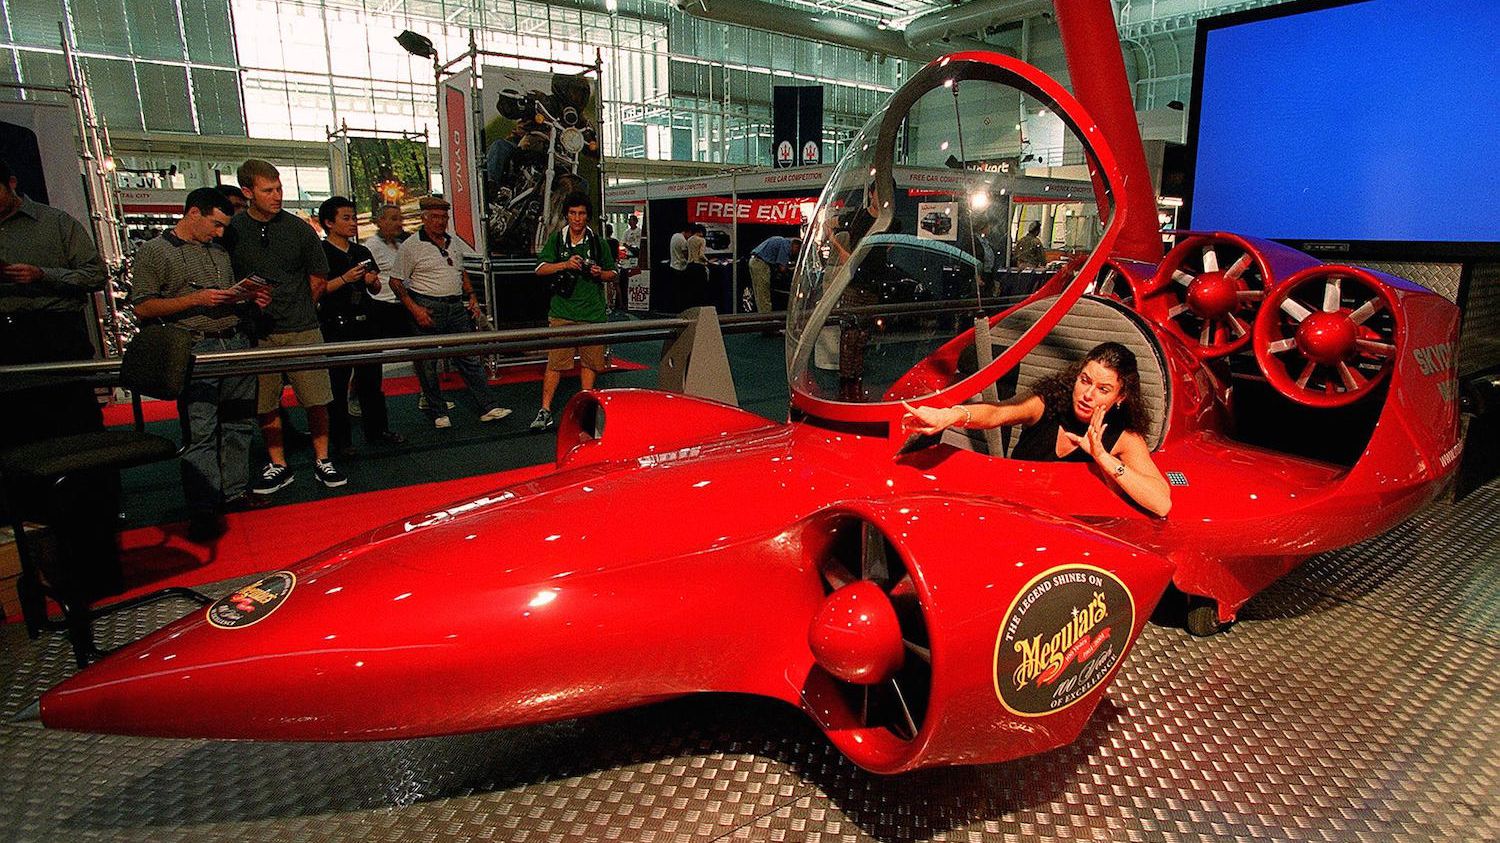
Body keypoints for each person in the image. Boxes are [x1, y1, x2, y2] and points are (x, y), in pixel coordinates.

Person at [129, 187, 268, 541]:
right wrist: (195, 299)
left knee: (239, 423)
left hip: (233, 341)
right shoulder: (155, 252)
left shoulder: (219, 251)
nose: (220, 232)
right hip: (194, 348)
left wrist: (248, 297)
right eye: (216, 224)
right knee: (201, 430)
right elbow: (143, 307)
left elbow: (221, 297)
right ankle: (205, 507)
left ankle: (234, 491)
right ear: (194, 213)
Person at [900, 341, 1171, 517]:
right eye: (1084, 380)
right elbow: (997, 412)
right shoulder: (1048, 403)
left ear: (1120, 397)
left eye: (1103, 390)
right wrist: (950, 415)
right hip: (1015, 513)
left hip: (1074, 530)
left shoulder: (1124, 437)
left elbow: (1161, 503)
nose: (1088, 394)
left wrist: (1104, 458)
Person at [224, 158, 346, 494]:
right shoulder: (234, 232)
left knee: (317, 399)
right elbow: (228, 280)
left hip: (303, 327)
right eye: (268, 190)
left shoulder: (298, 229)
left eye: (279, 188)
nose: (277, 195)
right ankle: (278, 463)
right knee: (265, 403)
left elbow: (318, 277)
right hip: (258, 332)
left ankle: (323, 459)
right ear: (248, 192)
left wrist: (300, 306)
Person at [0, 157, 108, 445]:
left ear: (11, 184)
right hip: (6, 340)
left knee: (74, 426)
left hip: (56, 335)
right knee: (17, 433)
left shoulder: (55, 223)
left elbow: (96, 274)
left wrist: (43, 275)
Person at [389, 195, 511, 429]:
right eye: (434, 217)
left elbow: (460, 271)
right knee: (427, 363)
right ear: (424, 218)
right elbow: (396, 282)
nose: (440, 222)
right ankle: (437, 410)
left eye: (443, 217)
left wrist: (472, 297)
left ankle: (488, 406)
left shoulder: (453, 242)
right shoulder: (412, 246)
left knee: (469, 356)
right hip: (426, 305)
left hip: (455, 307)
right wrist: (415, 309)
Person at [317, 196, 403, 454]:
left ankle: (377, 430)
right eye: (346, 218)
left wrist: (371, 281)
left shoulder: (361, 252)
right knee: (338, 385)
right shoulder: (321, 252)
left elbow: (376, 288)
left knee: (371, 382)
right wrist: (345, 278)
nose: (353, 223)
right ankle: (342, 441)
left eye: (354, 218)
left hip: (366, 320)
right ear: (329, 223)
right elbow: (319, 290)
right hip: (337, 324)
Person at [530, 191, 616, 431]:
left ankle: (585, 411)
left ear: (588, 216)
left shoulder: (598, 243)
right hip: (562, 312)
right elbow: (539, 269)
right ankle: (545, 410)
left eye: (581, 214)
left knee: (590, 364)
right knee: (555, 363)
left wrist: (600, 273)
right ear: (566, 215)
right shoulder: (557, 240)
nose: (577, 218)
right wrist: (565, 265)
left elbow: (614, 273)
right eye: (573, 213)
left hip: (592, 314)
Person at [748, 234, 799, 314]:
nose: (796, 253)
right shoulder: (786, 245)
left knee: (759, 293)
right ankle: (766, 317)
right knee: (763, 292)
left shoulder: (781, 240)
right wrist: (793, 268)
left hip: (754, 261)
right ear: (795, 245)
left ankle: (762, 314)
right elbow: (782, 268)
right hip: (761, 263)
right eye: (798, 249)